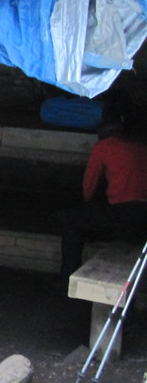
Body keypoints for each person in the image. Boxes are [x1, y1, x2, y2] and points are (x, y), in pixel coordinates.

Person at [61, 114, 147, 278]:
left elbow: (90, 183)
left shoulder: (104, 146)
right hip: (143, 214)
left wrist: (86, 204)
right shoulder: (141, 146)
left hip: (125, 211)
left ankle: (67, 277)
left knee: (72, 221)